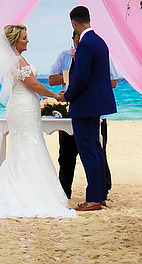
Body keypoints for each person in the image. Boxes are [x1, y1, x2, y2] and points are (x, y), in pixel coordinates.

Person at [0, 24, 77, 219]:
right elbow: (32, 84)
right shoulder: (17, 60)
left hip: (24, 106)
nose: (27, 40)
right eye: (24, 38)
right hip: (23, 106)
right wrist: (53, 95)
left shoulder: (16, 59)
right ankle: (25, 193)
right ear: (14, 40)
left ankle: (25, 187)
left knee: (25, 146)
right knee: (27, 146)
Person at [48, 28, 120, 198]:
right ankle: (68, 190)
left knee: (95, 150)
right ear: (72, 38)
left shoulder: (92, 49)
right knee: (68, 153)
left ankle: (100, 192)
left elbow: (110, 80)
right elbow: (52, 79)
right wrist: (69, 77)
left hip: (88, 107)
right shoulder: (66, 55)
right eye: (76, 39)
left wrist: (75, 88)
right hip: (73, 108)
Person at [62, 6, 116, 211]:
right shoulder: (100, 41)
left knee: (88, 151)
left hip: (85, 104)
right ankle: (100, 195)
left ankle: (93, 198)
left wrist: (67, 95)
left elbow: (81, 77)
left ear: (73, 23)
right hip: (96, 104)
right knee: (96, 149)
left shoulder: (85, 44)